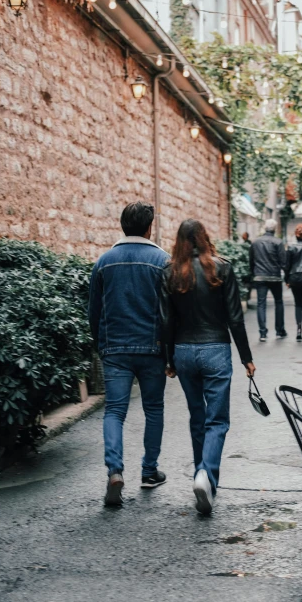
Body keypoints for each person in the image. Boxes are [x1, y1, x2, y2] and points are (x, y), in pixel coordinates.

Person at [160, 219, 255, 515]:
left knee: (197, 417)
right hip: (216, 349)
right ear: (204, 238)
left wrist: (169, 359)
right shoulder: (221, 268)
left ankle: (205, 479)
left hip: (184, 351)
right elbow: (235, 318)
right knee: (217, 421)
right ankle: (205, 475)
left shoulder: (169, 272)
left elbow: (165, 320)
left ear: (179, 241)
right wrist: (246, 357)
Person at [88, 202, 170, 507]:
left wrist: (102, 344)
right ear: (149, 227)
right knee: (154, 410)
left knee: (114, 412)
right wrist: (169, 351)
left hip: (115, 349)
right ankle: (149, 471)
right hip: (152, 349)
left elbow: (93, 310)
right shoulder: (162, 261)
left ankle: (115, 471)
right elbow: (169, 311)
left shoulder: (104, 261)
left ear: (123, 225)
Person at [249, 219, 287, 342]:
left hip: (260, 276)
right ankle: (279, 331)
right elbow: (283, 262)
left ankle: (263, 333)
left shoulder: (255, 242)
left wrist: (253, 273)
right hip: (275, 277)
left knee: (261, 304)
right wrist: (287, 276)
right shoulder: (278, 242)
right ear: (275, 229)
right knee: (279, 302)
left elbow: (251, 260)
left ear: (265, 228)